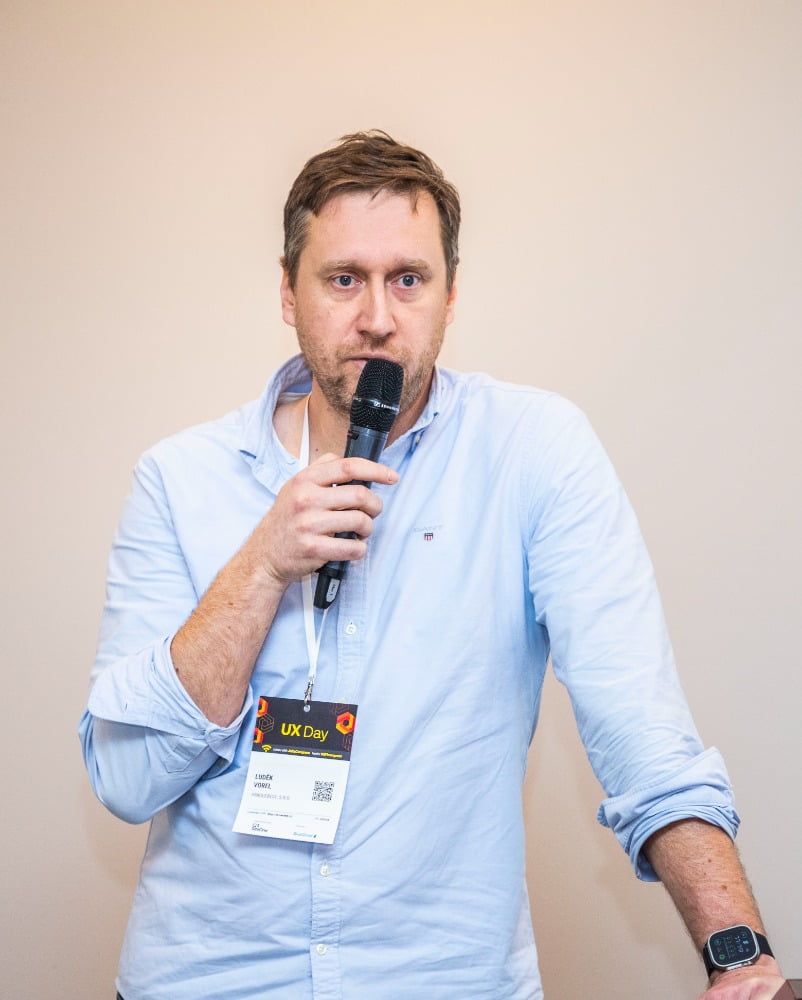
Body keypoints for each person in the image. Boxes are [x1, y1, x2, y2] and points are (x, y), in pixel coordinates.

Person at [80, 130, 786, 1000]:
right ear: (288, 291)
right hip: (210, 980)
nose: (378, 316)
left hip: (443, 980)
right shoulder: (180, 478)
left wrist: (737, 953)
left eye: (408, 279)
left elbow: (638, 726)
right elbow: (128, 779)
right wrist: (261, 566)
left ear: (451, 296)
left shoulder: (532, 451)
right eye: (344, 279)